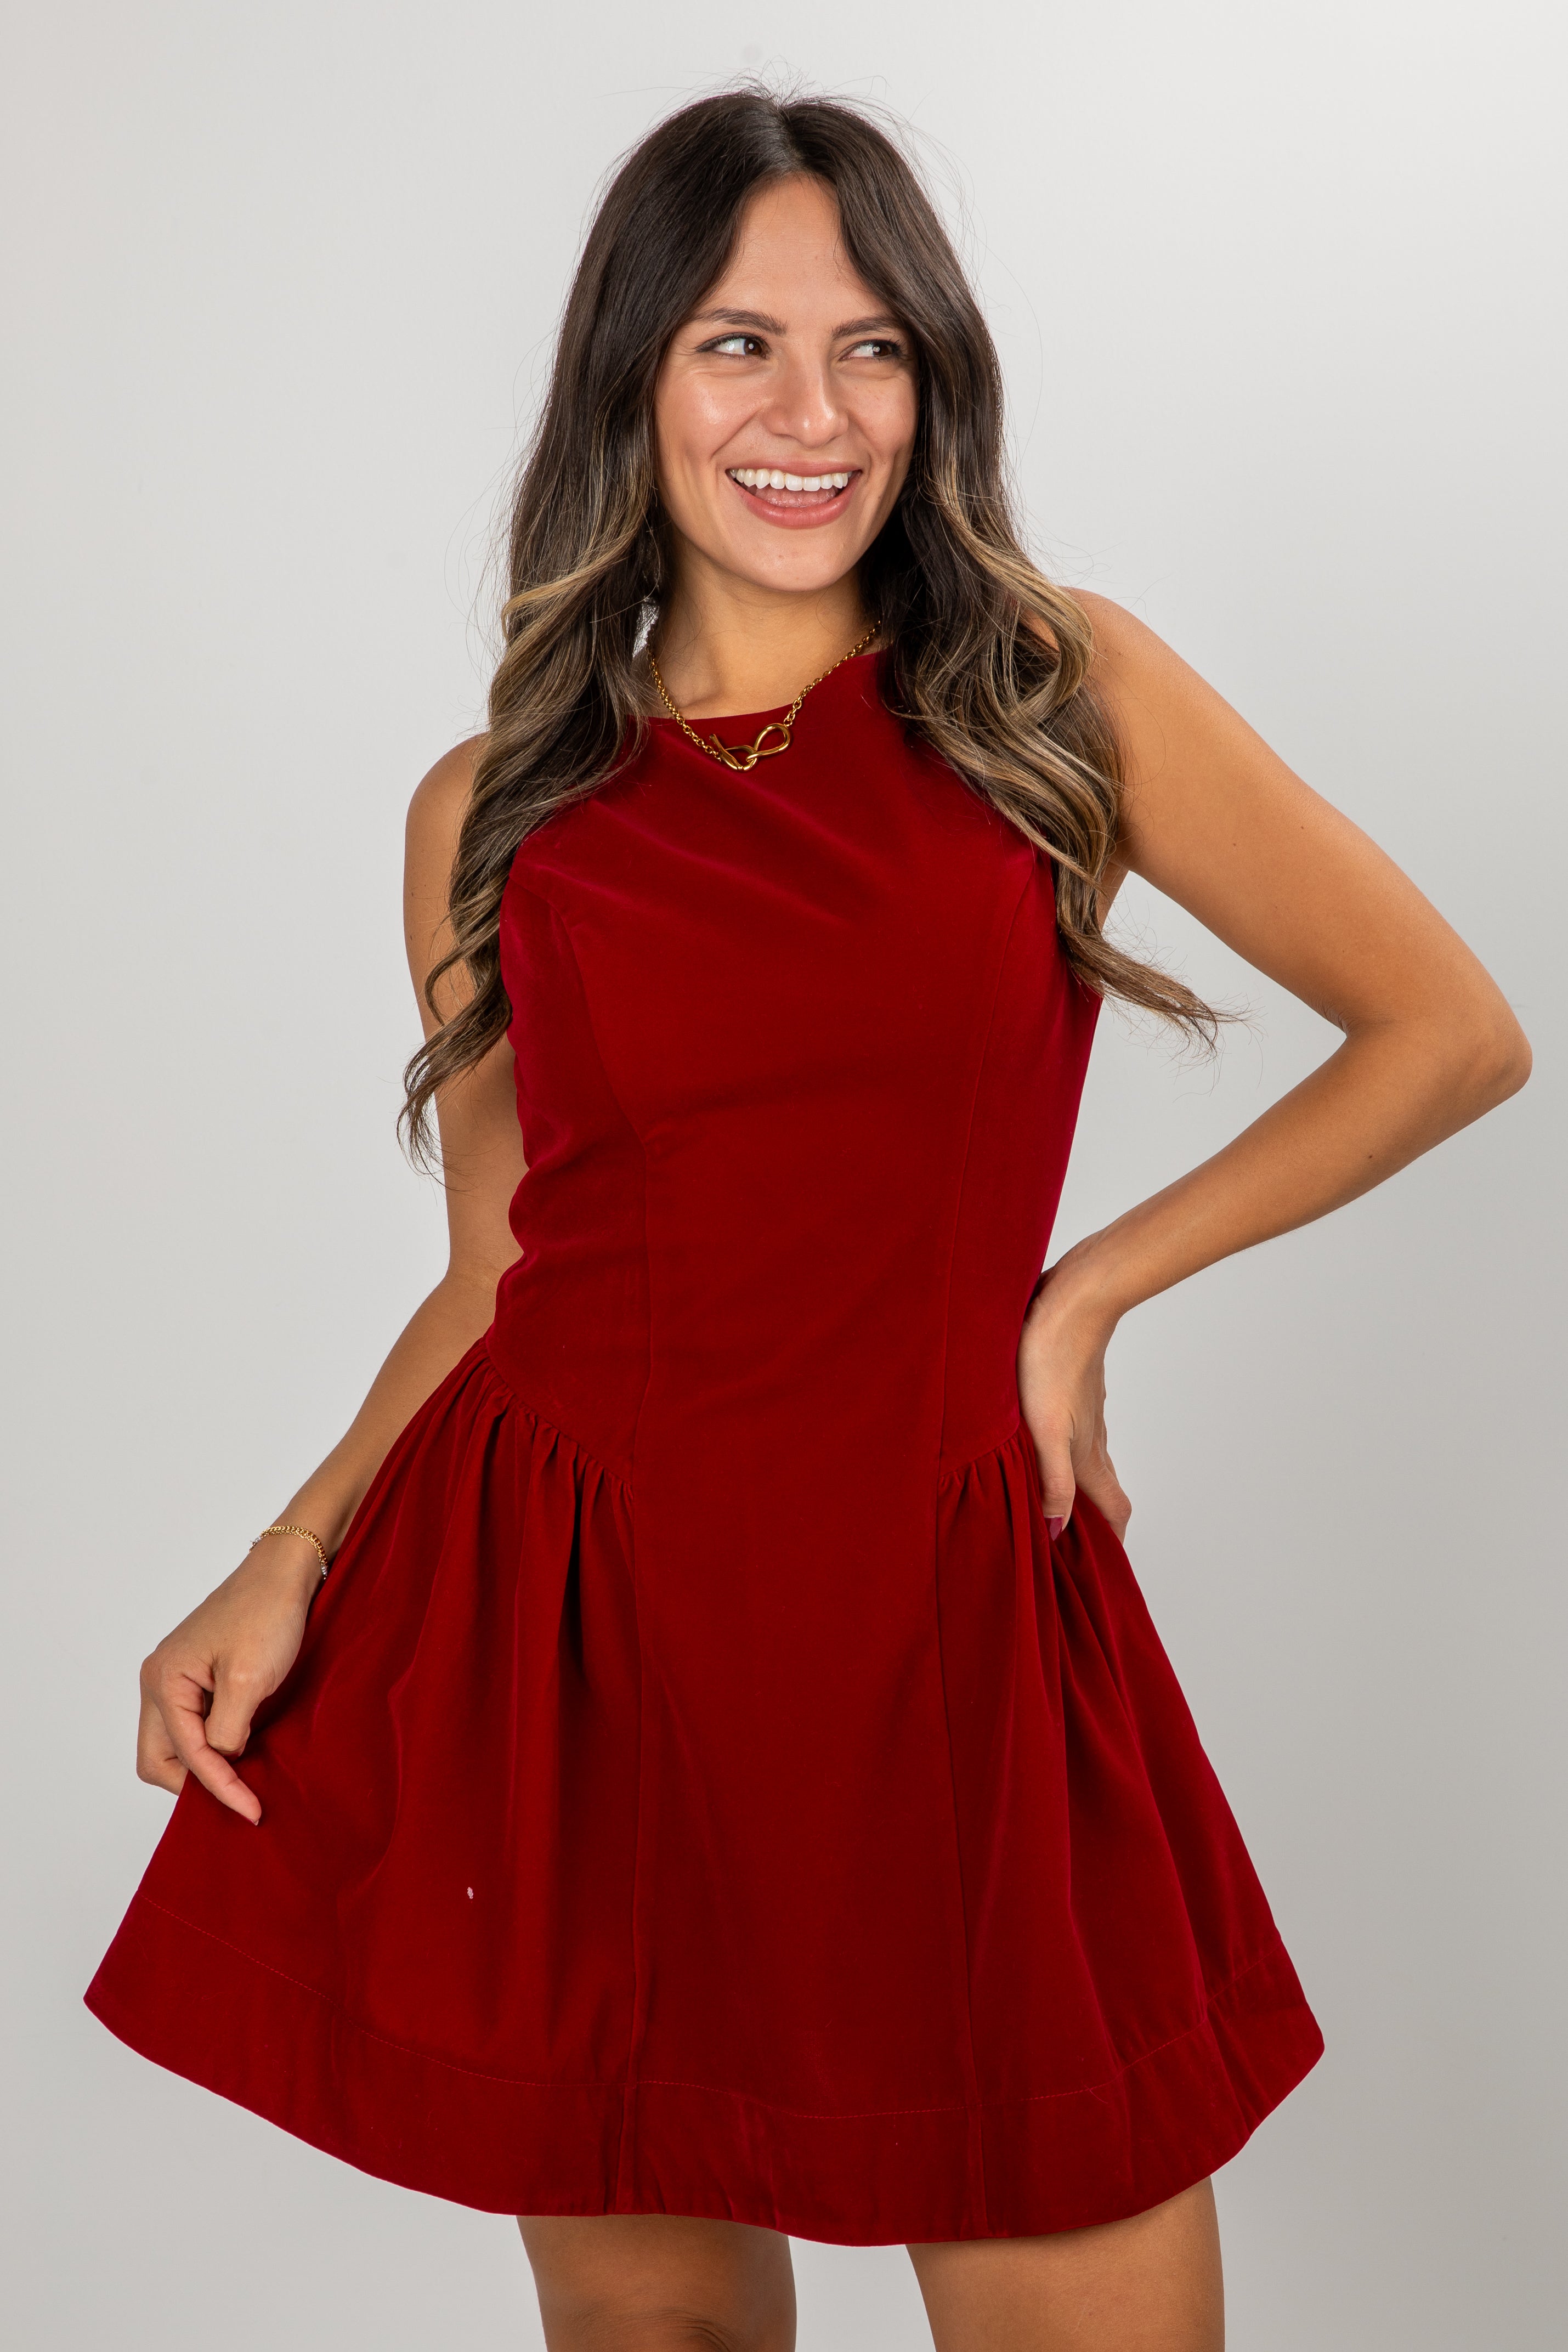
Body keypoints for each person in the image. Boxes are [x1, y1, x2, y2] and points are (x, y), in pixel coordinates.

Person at [86, 87, 1529, 2352]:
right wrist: (288, 1552)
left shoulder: (1059, 692)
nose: (809, 412)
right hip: (576, 1643)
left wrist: (1080, 1296)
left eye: (872, 349)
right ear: (630, 382)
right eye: (734, 345)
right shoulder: (495, 808)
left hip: (939, 1618)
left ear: (933, 384)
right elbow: (501, 1267)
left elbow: (1445, 1031)